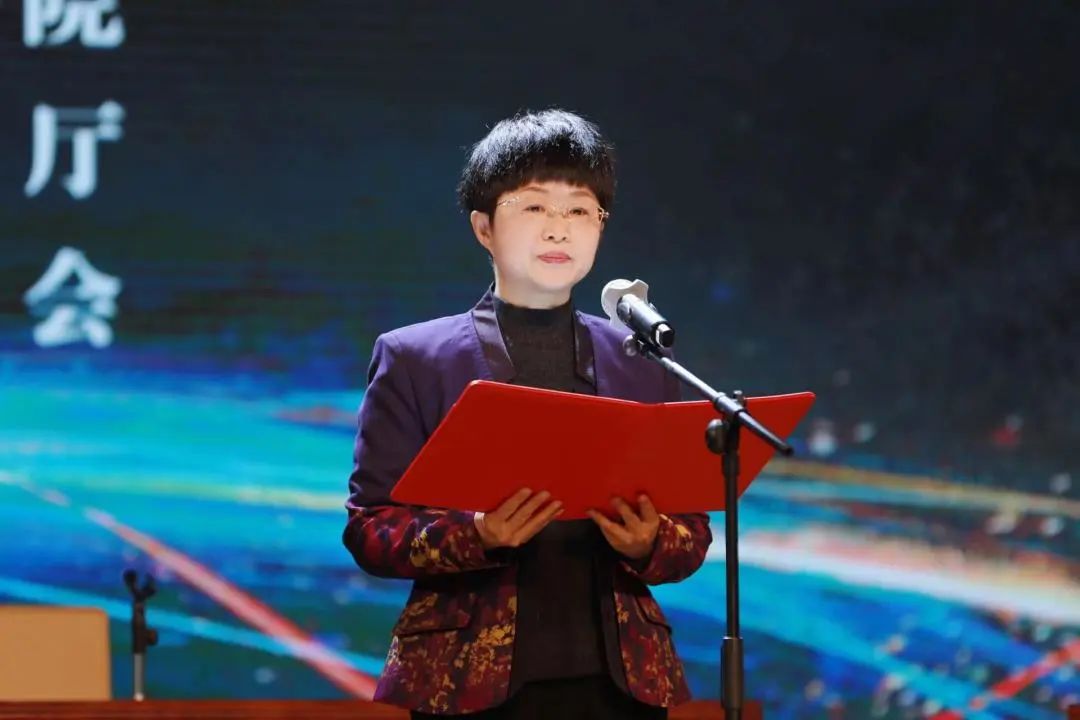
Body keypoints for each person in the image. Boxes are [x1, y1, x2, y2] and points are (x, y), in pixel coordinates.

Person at [343, 108, 712, 719]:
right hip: (466, 679)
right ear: (484, 228)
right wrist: (477, 535)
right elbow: (370, 529)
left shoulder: (641, 362)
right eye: (535, 206)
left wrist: (650, 541)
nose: (559, 230)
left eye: (580, 211)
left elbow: (691, 530)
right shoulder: (416, 358)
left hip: (622, 681)